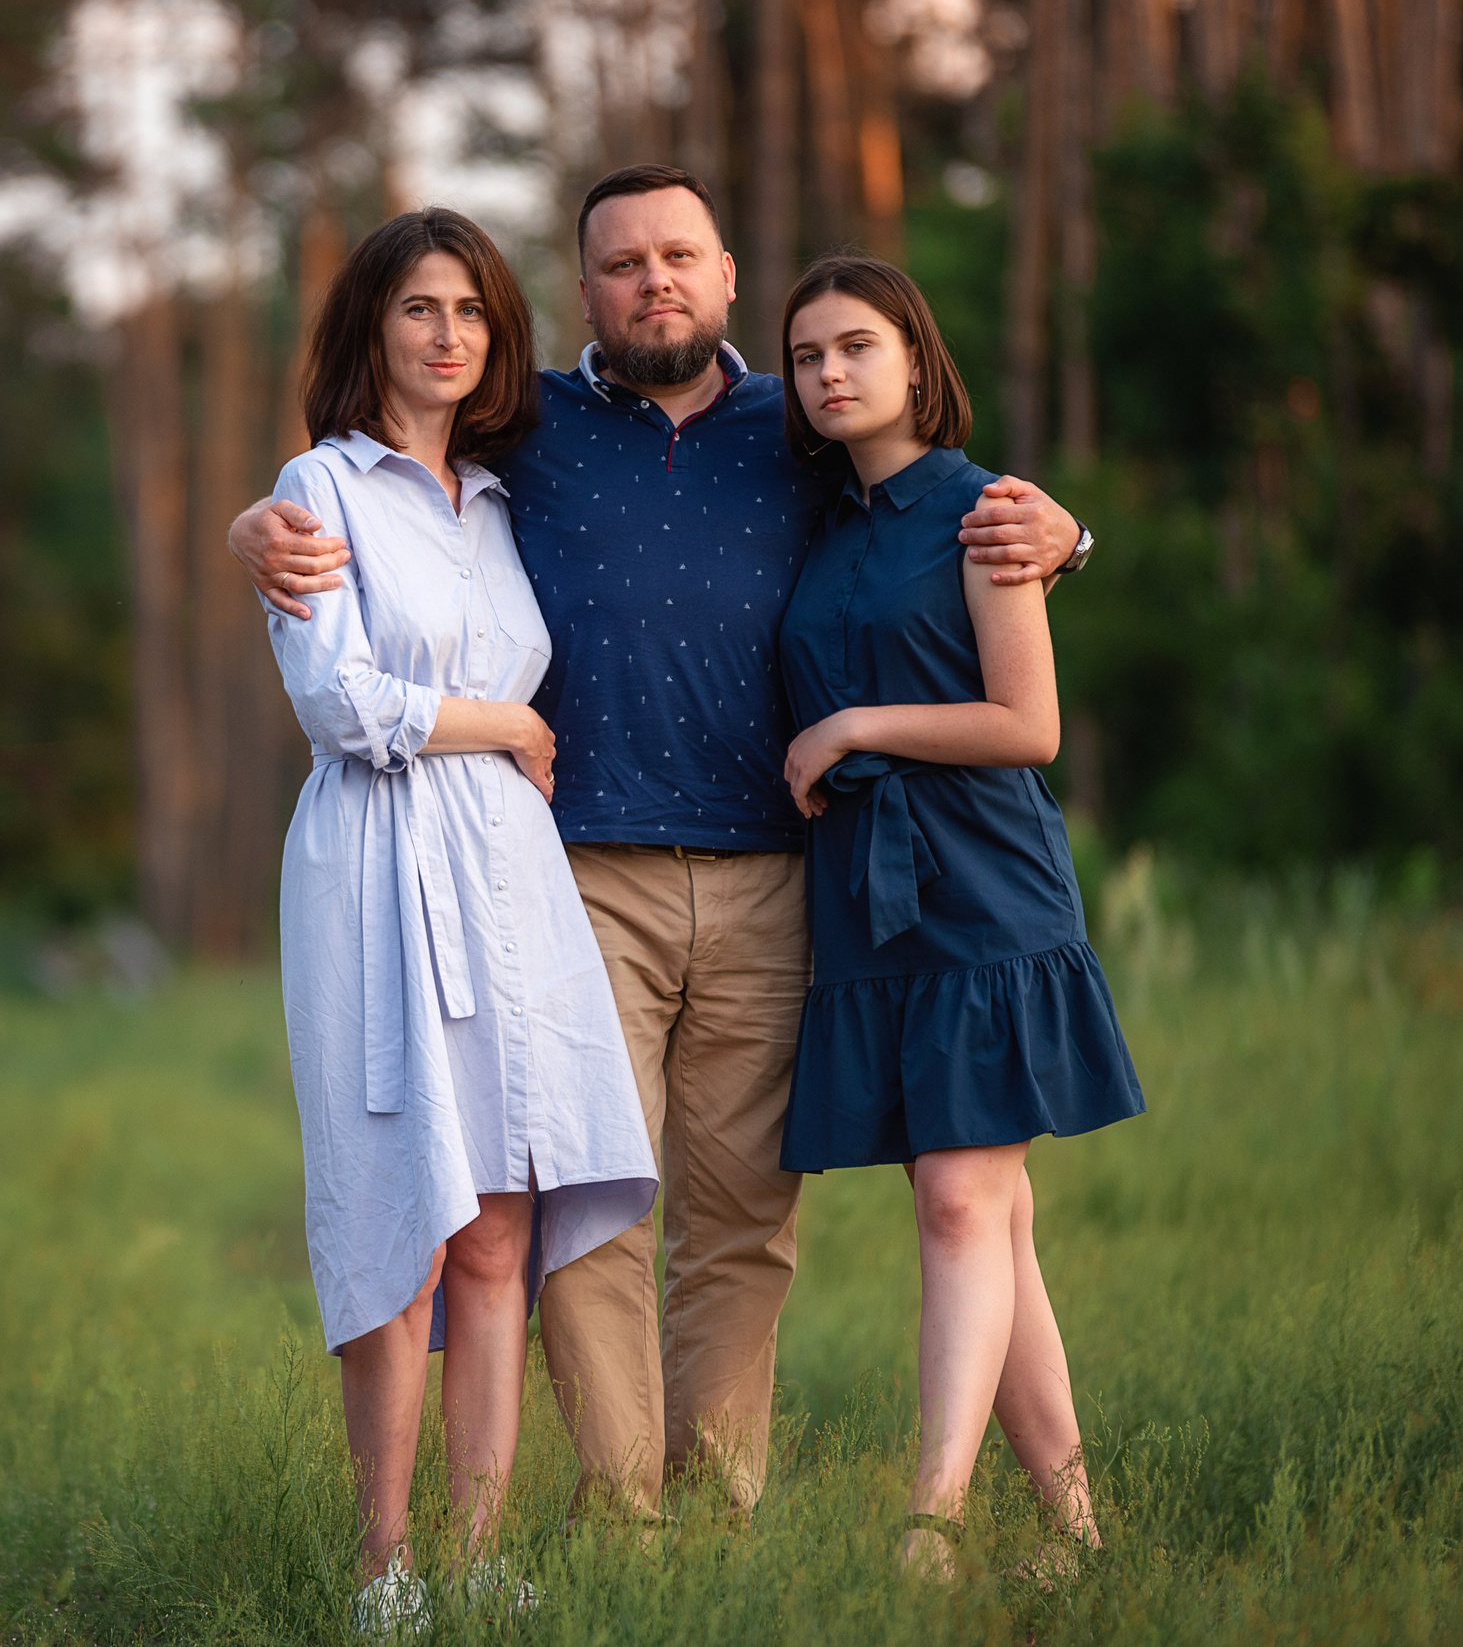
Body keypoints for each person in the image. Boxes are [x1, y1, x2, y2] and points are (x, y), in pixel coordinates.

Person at [232, 166, 1090, 1523]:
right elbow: (395, 474)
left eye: (678, 255)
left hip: (774, 871)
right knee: (592, 1208)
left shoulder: (796, 422)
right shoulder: (534, 424)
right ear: (587, 290)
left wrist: (1067, 534)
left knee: (744, 1219)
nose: (654, 282)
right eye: (623, 263)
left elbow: (924, 512)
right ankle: (627, 1516)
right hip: (574, 878)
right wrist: (257, 524)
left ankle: (715, 1512)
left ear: (728, 272)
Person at [261, 206, 658, 1631]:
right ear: (372, 322)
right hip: (375, 866)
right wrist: (502, 718)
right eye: (421, 307)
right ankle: (385, 1567)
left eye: (474, 313)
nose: (448, 335)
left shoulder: (495, 498)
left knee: (500, 1227)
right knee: (403, 1223)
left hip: (509, 869)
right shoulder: (321, 487)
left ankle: (479, 1553)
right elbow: (336, 700)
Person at [775, 255, 1142, 1577]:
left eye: (856, 346)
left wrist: (859, 723)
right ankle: (1078, 1535)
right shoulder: (821, 521)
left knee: (956, 1195)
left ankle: (929, 1524)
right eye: (808, 354)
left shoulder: (983, 512)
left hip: (983, 881)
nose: (829, 373)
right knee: (991, 1213)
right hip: (869, 900)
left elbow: (1026, 723)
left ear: (918, 361)